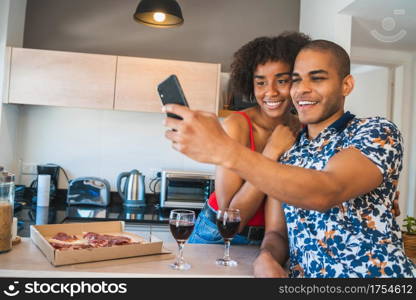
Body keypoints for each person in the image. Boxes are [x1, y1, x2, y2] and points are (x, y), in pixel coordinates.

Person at [162, 39, 416, 277]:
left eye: (317, 78)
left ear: (346, 85)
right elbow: (277, 233)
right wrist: (267, 255)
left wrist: (225, 150)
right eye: (296, 80)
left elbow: (326, 191)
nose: (302, 89)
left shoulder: (375, 131)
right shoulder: (291, 151)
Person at [188, 32, 310, 245]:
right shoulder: (237, 125)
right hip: (219, 235)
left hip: (275, 241)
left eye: (282, 81)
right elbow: (232, 217)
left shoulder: (303, 128)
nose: (270, 92)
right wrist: (271, 152)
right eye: (261, 83)